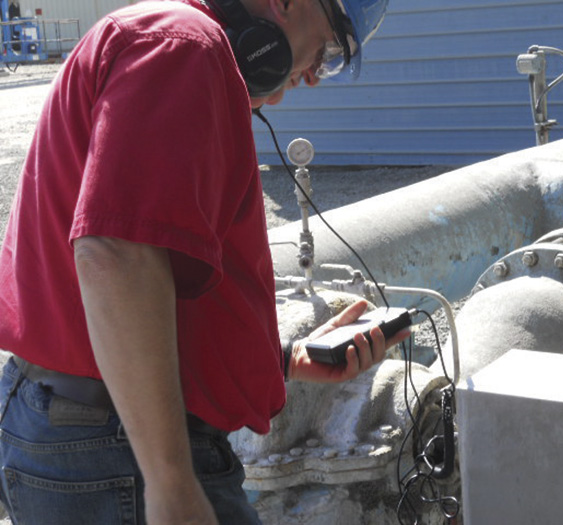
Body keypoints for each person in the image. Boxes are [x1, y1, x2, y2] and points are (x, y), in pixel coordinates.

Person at [0, 0, 403, 523]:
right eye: (326, 51)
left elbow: (158, 278)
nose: (313, 77)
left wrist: (283, 359)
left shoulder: (175, 48)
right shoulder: (184, 47)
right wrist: (171, 483)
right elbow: (117, 254)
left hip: (98, 435)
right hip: (118, 451)